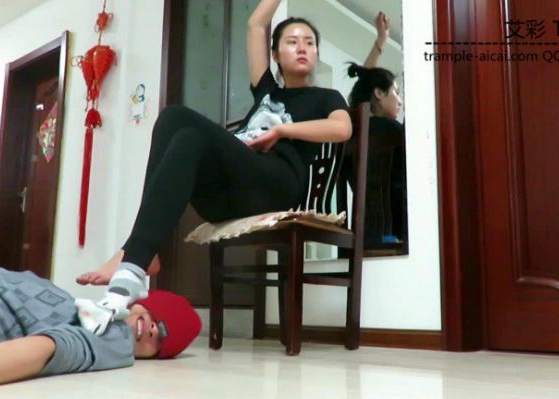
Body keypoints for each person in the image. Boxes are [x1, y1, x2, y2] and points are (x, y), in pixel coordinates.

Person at [76, 0, 351, 327]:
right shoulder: (266, 90)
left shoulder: (325, 98)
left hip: (276, 183)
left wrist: (281, 130)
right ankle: (143, 255)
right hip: (229, 194)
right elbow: (255, 25)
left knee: (179, 119)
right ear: (276, 54)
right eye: (292, 42)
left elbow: (342, 129)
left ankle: (133, 260)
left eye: (310, 43)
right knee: (181, 129)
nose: (303, 48)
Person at [0, 264, 201, 399]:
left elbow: (58, 347)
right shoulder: (84, 309)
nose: (153, 329)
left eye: (161, 339)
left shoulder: (117, 337)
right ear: (137, 301)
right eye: (156, 316)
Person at [346, 12, 405, 246]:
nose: (400, 101)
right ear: (379, 93)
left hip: (363, 232)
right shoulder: (392, 130)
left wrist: (381, 41)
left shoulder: (352, 129)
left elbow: (364, 85)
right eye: (396, 92)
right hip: (395, 231)